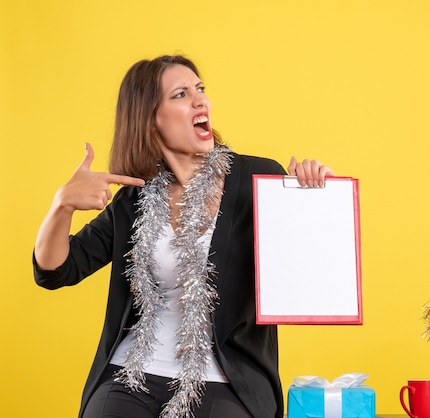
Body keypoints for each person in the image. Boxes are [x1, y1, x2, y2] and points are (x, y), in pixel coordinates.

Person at [33, 55, 334, 418]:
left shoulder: (257, 178)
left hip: (223, 382)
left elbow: (305, 271)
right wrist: (61, 206)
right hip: (131, 376)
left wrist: (309, 196)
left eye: (200, 89)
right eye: (180, 94)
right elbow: (56, 271)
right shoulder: (135, 198)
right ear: (149, 118)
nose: (200, 100)